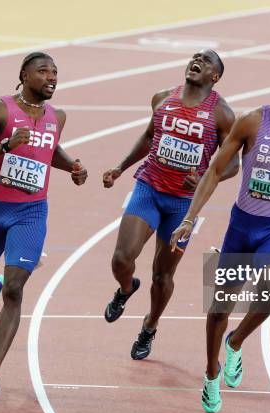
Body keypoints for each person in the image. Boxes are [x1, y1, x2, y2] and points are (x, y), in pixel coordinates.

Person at [170, 57, 270, 413]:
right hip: (242, 228)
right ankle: (212, 372)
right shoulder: (252, 122)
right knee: (219, 308)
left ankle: (236, 341)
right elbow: (215, 171)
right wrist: (189, 219)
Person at [0, 52, 88, 401]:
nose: (51, 78)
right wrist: (3, 145)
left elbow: (50, 151)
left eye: (55, 73)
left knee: (16, 289)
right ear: (24, 75)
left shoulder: (56, 117)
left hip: (31, 213)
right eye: (43, 71)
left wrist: (72, 167)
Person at [102, 49, 238, 360]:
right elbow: (150, 137)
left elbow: (232, 166)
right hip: (148, 188)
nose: (197, 61)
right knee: (122, 259)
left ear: (214, 77)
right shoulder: (162, 98)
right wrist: (121, 168)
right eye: (195, 56)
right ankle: (125, 288)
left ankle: (150, 325)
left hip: (183, 206)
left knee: (162, 276)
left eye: (206, 60)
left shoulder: (222, 114)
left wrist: (204, 178)